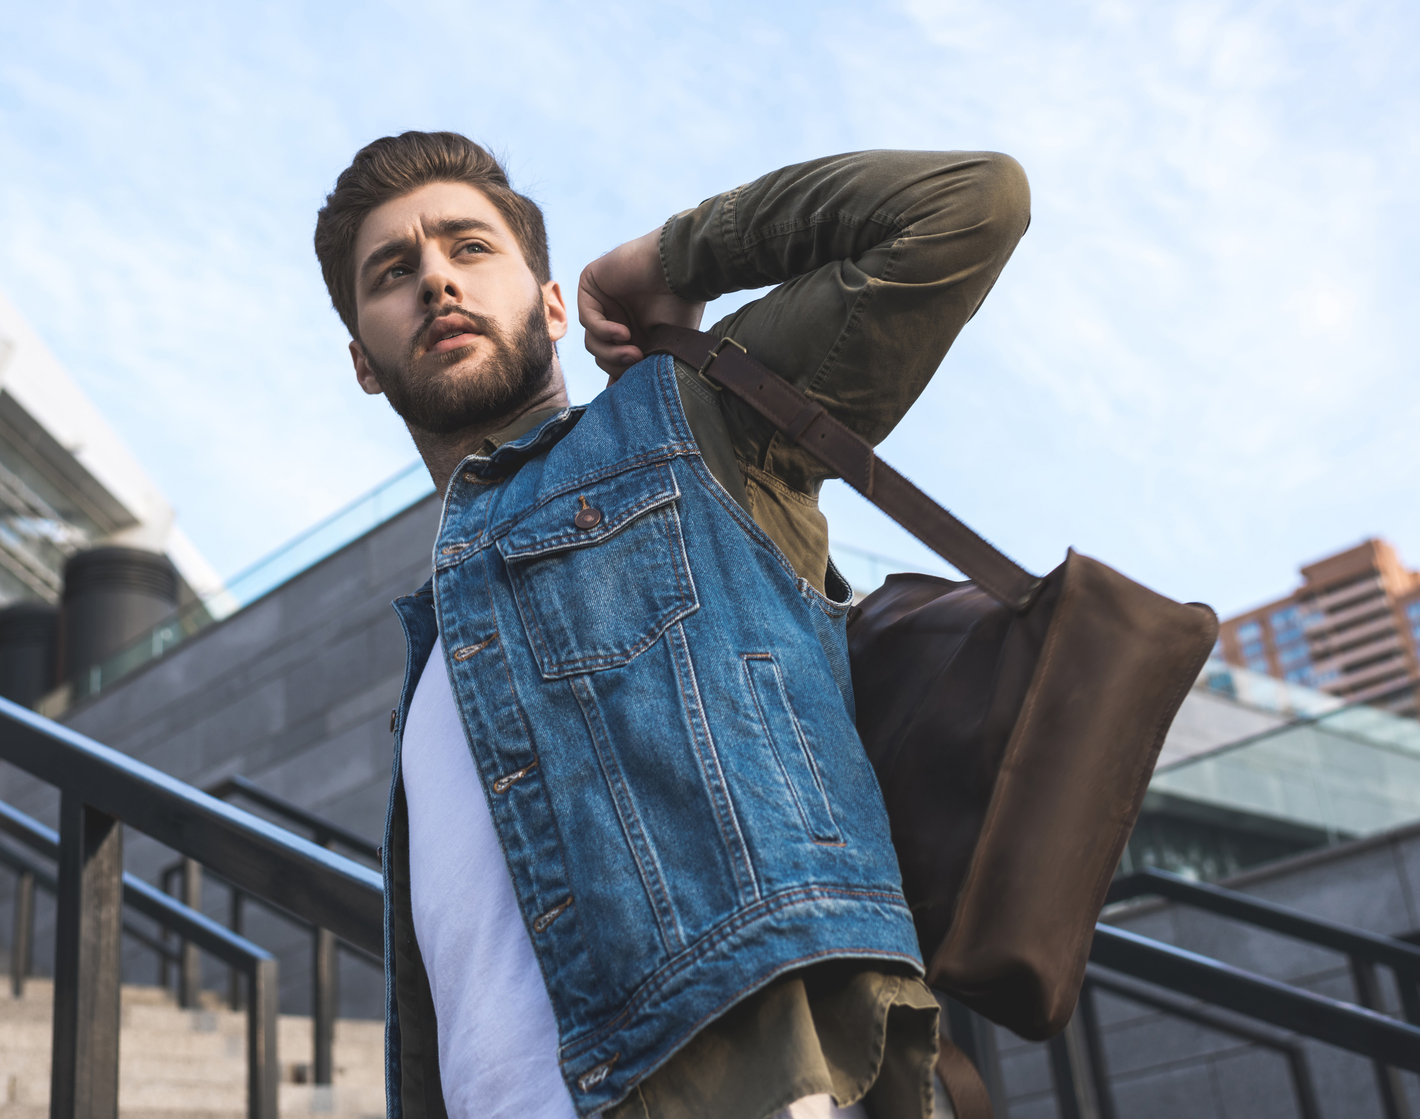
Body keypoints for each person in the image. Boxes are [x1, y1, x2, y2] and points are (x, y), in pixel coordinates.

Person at [313, 134, 1029, 1119]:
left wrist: (669, 259)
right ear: (362, 360)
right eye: (394, 272)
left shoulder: (686, 428)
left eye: (468, 248)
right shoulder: (435, 653)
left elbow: (966, 204)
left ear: (554, 305)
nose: (435, 279)